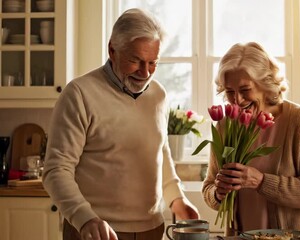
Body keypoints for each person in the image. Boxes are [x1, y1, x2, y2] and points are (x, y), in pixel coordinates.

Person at [42, 8, 199, 240]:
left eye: (153, 63)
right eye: (135, 61)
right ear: (112, 50)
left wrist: (176, 197)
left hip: (151, 229)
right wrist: (84, 217)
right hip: (94, 230)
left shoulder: (158, 95)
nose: (145, 72)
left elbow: (159, 150)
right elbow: (56, 170)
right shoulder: (79, 94)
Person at [202, 42, 300, 236]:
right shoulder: (225, 125)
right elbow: (209, 186)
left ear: (265, 84)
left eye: (245, 89)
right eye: (230, 91)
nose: (237, 100)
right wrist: (217, 194)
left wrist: (261, 181)